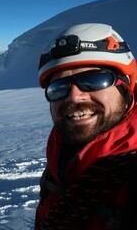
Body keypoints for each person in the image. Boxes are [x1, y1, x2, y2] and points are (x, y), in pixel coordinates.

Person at [35, 23, 137, 229]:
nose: (74, 97)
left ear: (126, 87)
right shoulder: (59, 164)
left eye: (93, 80)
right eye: (58, 87)